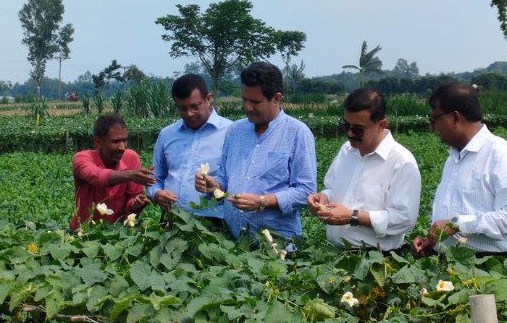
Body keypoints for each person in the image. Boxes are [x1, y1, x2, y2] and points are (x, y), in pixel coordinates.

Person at [410, 82, 507, 260]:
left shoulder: (500, 155)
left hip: (488, 266)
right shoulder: (454, 157)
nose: (432, 126)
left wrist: (458, 225)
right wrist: (435, 244)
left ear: (456, 118)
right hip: (451, 262)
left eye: (435, 119)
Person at [200, 61, 316, 242]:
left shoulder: (297, 133)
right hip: (235, 240)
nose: (247, 107)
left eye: (255, 102)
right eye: (244, 100)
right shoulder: (235, 131)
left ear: (276, 98)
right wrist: (215, 186)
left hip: (278, 243)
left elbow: (305, 191)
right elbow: (225, 176)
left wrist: (263, 201)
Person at [306, 88, 421, 256]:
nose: (350, 134)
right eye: (346, 126)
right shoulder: (346, 150)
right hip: (334, 254)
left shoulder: (400, 162)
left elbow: (404, 219)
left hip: (377, 259)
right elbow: (332, 188)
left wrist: (352, 217)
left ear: (381, 125)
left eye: (358, 129)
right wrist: (324, 197)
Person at [146, 74, 232, 230]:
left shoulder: (231, 132)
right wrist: (157, 193)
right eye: (182, 108)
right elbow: (155, 177)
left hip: (214, 223)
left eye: (195, 106)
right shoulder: (167, 135)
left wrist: (217, 186)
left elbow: (240, 180)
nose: (189, 113)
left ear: (208, 99)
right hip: (172, 220)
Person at [69, 114, 154, 230]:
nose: (122, 147)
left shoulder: (131, 158)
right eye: (115, 141)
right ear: (98, 142)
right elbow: (97, 176)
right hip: (83, 232)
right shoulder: (81, 159)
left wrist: (135, 205)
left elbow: (133, 199)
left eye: (124, 140)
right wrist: (130, 175)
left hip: (117, 234)